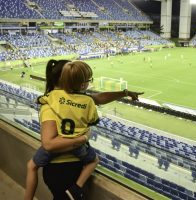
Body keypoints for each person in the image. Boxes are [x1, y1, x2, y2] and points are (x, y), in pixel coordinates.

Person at [25, 60, 143, 200]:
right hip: (63, 170)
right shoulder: (58, 105)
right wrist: (83, 138)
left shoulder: (54, 99)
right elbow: (49, 144)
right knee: (93, 161)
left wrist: (125, 92)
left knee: (31, 165)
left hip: (63, 168)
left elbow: (98, 98)